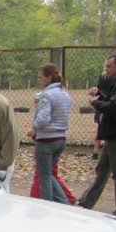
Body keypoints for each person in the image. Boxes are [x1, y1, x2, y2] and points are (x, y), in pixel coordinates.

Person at [77, 55, 116, 220]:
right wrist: (100, 95)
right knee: (103, 170)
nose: (107, 70)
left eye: (109, 66)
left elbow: (114, 107)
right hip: (114, 132)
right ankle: (86, 202)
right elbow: (113, 101)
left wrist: (95, 103)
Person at [27, 64, 72, 203]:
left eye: (41, 77)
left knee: (44, 177)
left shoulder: (47, 95)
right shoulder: (65, 94)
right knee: (48, 173)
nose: (39, 80)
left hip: (47, 139)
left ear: (48, 78)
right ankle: (63, 201)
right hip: (61, 137)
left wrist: (34, 127)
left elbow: (43, 119)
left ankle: (49, 203)